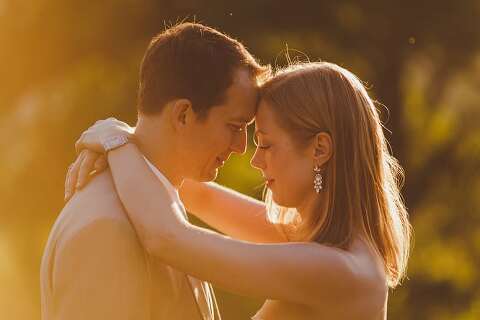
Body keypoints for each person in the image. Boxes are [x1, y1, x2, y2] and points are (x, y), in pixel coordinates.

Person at [68, 61, 412, 319]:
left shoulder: (337, 270)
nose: (256, 162)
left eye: (266, 145)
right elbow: (196, 191)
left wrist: (112, 138)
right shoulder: (316, 241)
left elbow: (167, 239)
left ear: (319, 149)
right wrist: (130, 142)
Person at [40, 22, 268, 320]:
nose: (241, 146)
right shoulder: (107, 229)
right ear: (183, 115)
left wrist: (115, 137)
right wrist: (115, 137)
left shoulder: (161, 200)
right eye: (235, 127)